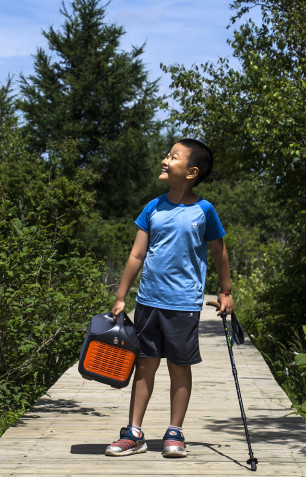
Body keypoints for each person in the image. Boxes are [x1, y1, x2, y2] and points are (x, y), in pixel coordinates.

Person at [105, 138, 234, 458]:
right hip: (148, 301)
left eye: (173, 157)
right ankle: (133, 433)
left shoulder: (204, 211)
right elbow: (137, 255)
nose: (165, 159)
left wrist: (226, 291)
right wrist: (122, 296)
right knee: (144, 365)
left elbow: (219, 252)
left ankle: (175, 431)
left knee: (179, 366)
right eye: (167, 154)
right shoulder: (153, 207)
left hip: (183, 305)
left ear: (191, 172)